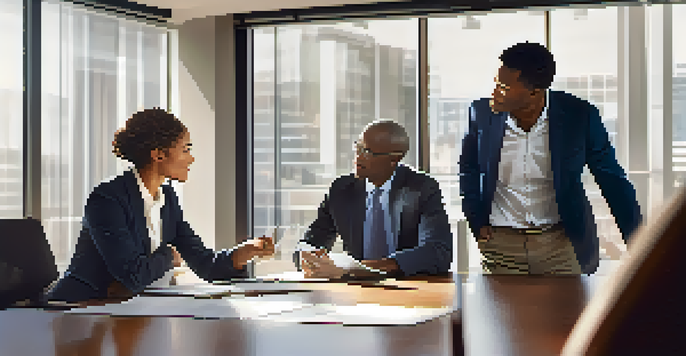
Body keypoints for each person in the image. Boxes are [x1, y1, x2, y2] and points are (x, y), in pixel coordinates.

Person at [46, 108, 274, 302]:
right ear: (158, 155)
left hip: (125, 313)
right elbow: (133, 276)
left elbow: (206, 266)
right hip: (77, 313)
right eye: (185, 149)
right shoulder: (108, 199)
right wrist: (168, 255)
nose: (191, 158)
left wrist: (244, 253)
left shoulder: (166, 198)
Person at [459, 42, 642, 275]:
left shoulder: (580, 116)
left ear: (534, 92)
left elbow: (613, 181)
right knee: (499, 312)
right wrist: (476, 219)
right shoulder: (481, 114)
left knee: (568, 312)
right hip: (500, 245)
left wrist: (641, 249)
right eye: (496, 83)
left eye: (504, 87)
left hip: (561, 246)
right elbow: (468, 168)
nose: (494, 93)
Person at [297, 120, 453, 279]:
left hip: (408, 287)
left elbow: (438, 252)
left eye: (367, 152)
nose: (358, 157)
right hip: (355, 289)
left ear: (394, 159)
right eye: (358, 147)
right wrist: (308, 256)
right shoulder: (341, 189)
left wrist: (358, 269)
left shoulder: (421, 188)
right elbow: (311, 240)